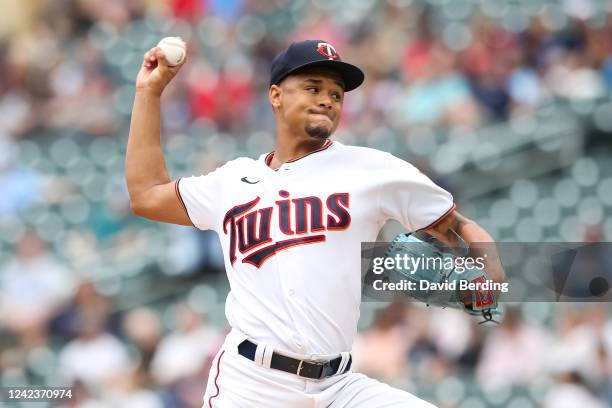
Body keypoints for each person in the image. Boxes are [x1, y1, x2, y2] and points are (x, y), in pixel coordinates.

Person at [126, 39, 505, 408]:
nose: (328, 99)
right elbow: (146, 195)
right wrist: (149, 93)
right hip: (251, 385)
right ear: (276, 96)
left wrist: (490, 277)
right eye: (313, 87)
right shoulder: (232, 182)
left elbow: (461, 227)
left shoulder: (372, 170)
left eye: (337, 94)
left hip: (339, 387)